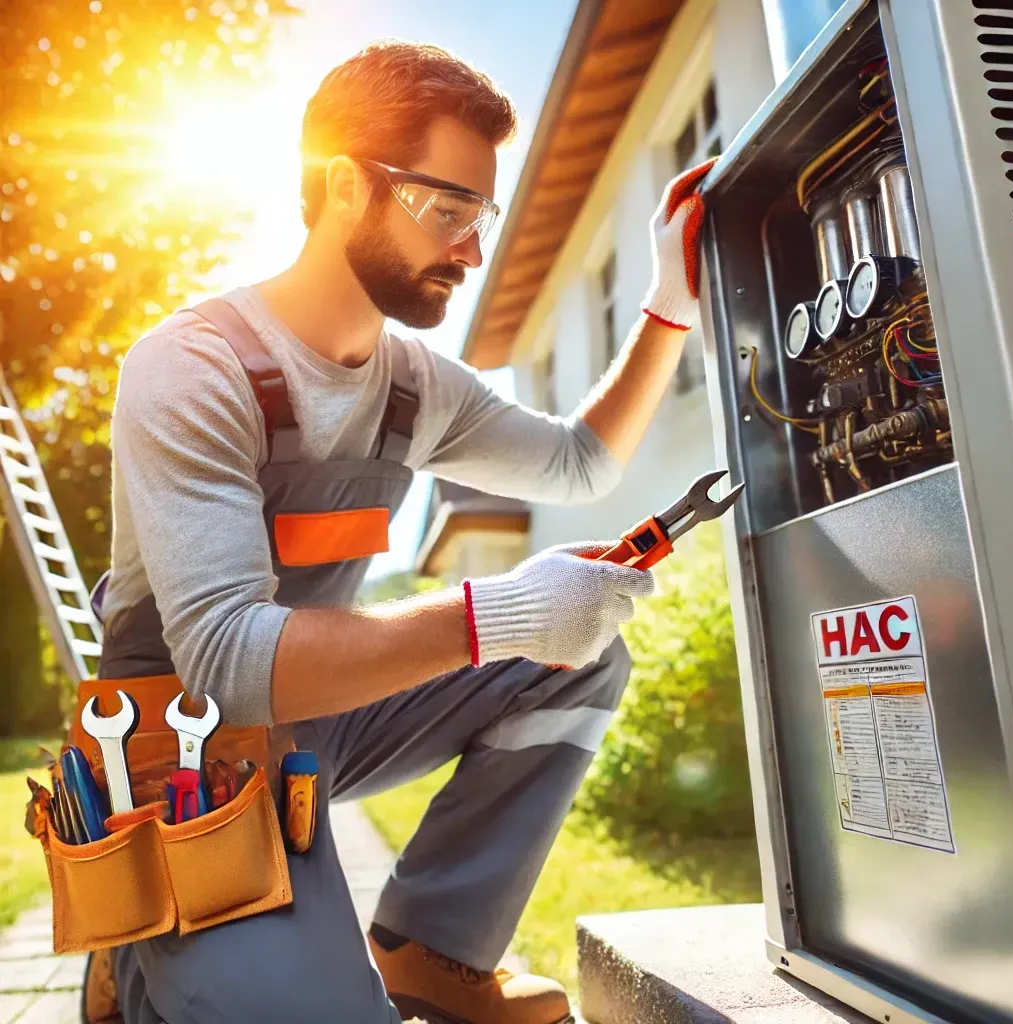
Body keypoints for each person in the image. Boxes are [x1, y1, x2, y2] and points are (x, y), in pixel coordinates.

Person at [82, 38, 716, 1024]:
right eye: (447, 208)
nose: (471, 247)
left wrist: (667, 309)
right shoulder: (189, 368)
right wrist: (500, 610)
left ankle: (430, 946)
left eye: (480, 214)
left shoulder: (410, 385)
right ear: (344, 184)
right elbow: (227, 662)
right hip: (188, 751)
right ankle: (132, 949)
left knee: (581, 659)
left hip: (320, 721)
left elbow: (576, 460)